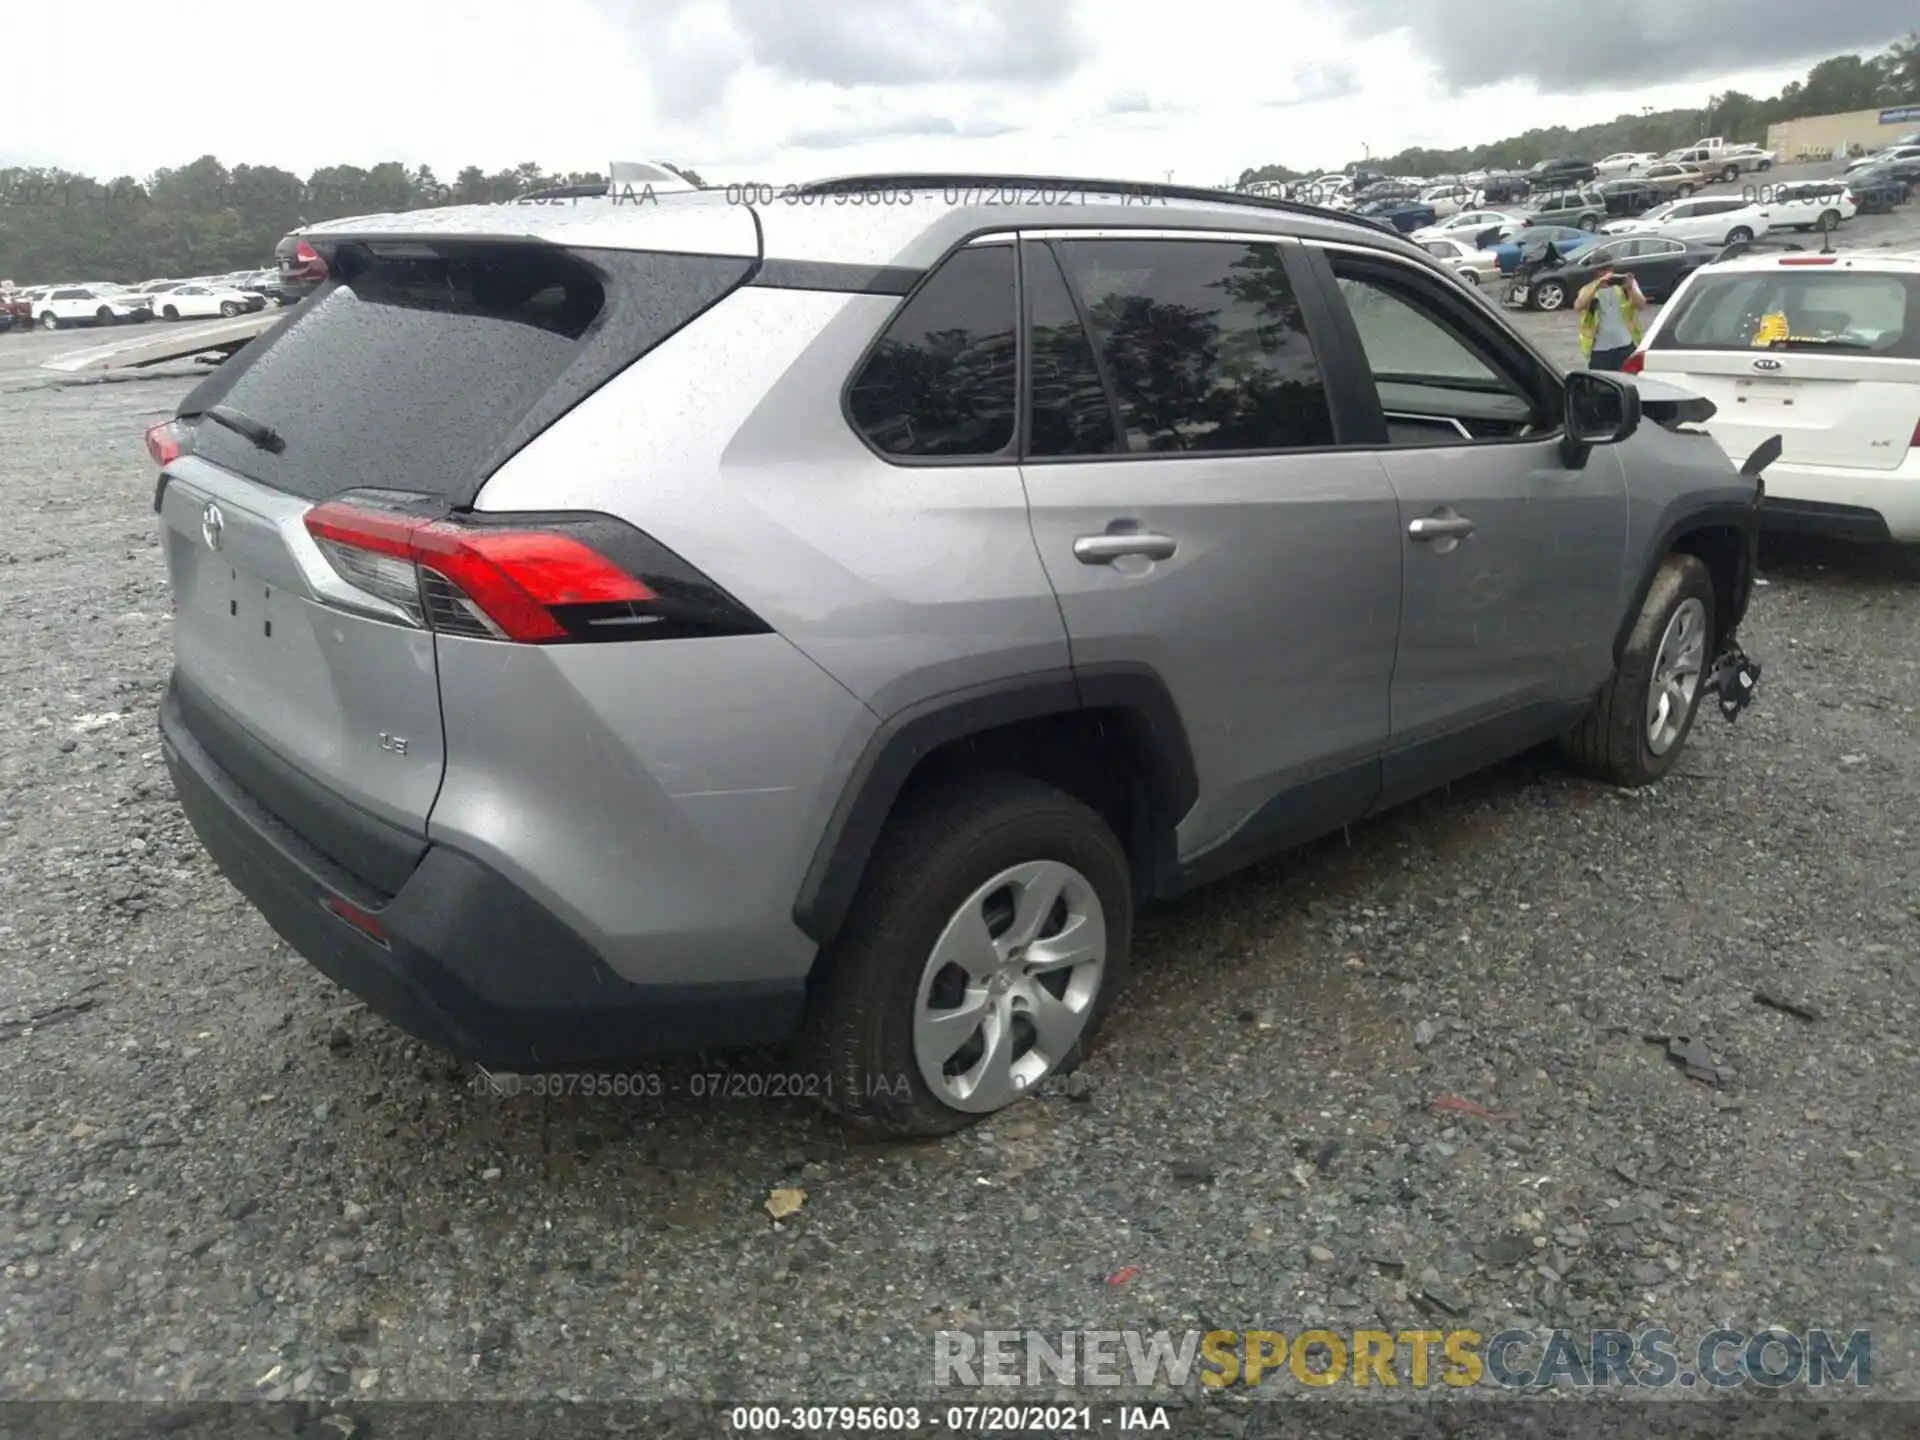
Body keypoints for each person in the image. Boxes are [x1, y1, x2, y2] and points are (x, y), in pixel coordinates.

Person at [1575, 265, 1646, 371]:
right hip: (1600, 350)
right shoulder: (1589, 288)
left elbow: (1641, 306)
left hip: (1625, 346)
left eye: (1608, 269)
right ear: (1596, 272)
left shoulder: (1624, 284)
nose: (1606, 273)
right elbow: (1578, 307)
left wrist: (1630, 289)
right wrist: (1596, 287)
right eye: (1602, 270)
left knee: (1628, 382)